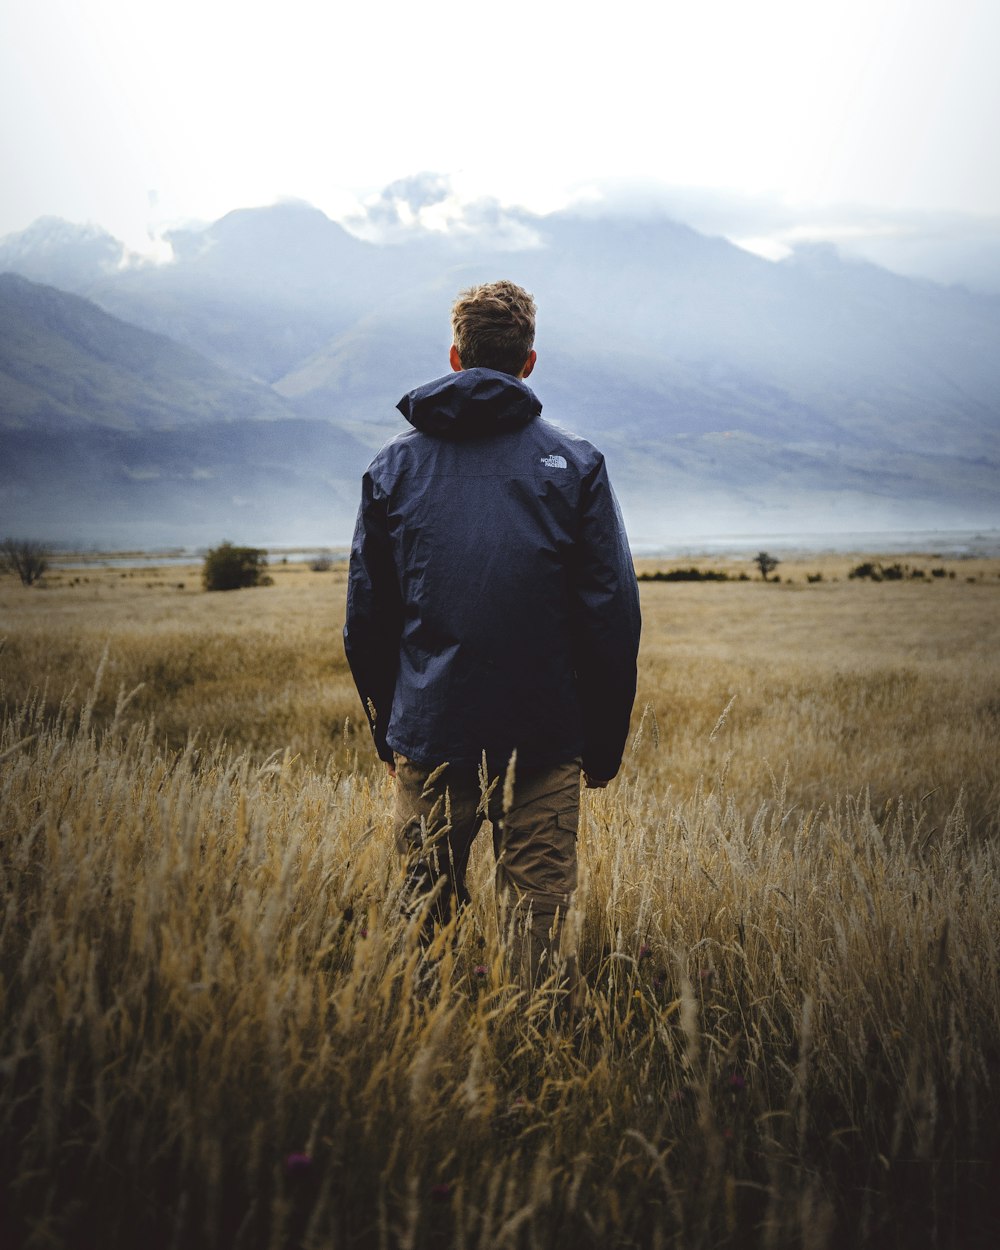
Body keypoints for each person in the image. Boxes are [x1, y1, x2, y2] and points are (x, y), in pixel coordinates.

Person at [344, 279, 640, 990]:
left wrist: (389, 729)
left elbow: (367, 621)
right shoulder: (576, 466)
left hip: (430, 731)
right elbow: (612, 617)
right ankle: (534, 1063)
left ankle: (430, 1062)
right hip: (546, 738)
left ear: (455, 357)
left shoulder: (392, 468)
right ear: (529, 362)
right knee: (537, 925)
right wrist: (601, 745)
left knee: (425, 916)